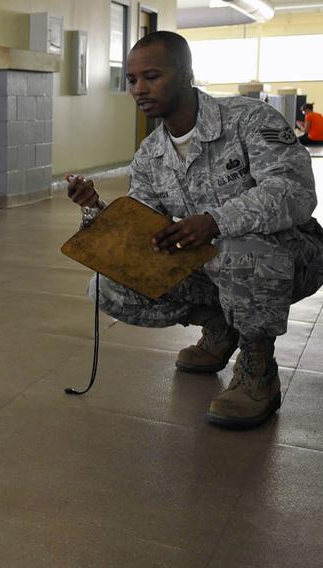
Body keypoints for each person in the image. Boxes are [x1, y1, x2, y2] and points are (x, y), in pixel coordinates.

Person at [67, 31, 323, 430]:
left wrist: (216, 221)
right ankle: (221, 326)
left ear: (187, 74)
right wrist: (96, 208)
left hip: (290, 258)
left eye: (151, 76)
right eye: (132, 80)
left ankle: (259, 371)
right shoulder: (151, 154)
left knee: (238, 245)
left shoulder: (248, 120)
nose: (139, 89)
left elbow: (294, 192)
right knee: (107, 284)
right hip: (215, 268)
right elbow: (144, 228)